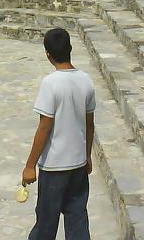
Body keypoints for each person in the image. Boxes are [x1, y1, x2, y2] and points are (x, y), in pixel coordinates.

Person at [22, 28, 96, 240]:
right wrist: (87, 155)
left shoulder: (50, 83)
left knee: (46, 222)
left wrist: (29, 165)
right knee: (77, 219)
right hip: (78, 164)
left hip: (55, 166)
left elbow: (45, 127)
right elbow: (89, 124)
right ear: (70, 49)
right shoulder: (86, 80)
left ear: (47, 54)